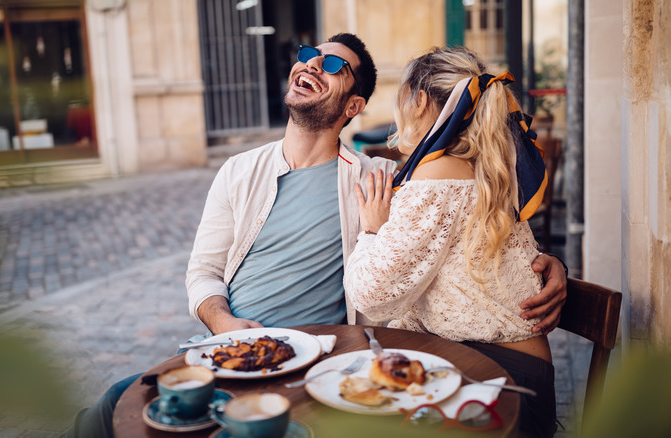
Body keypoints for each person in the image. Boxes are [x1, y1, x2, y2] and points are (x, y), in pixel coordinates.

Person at [62, 35, 567, 438]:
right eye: (308, 56)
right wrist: (224, 323)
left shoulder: (381, 179)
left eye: (331, 67)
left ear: (353, 106)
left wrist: (547, 263)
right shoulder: (238, 171)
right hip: (235, 347)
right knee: (115, 403)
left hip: (317, 358)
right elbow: (203, 271)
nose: (309, 65)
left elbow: (463, 227)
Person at [343, 46, 559, 437]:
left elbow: (371, 297)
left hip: (494, 376)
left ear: (419, 99)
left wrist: (372, 229)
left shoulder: (436, 174)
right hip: (523, 370)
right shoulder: (489, 164)